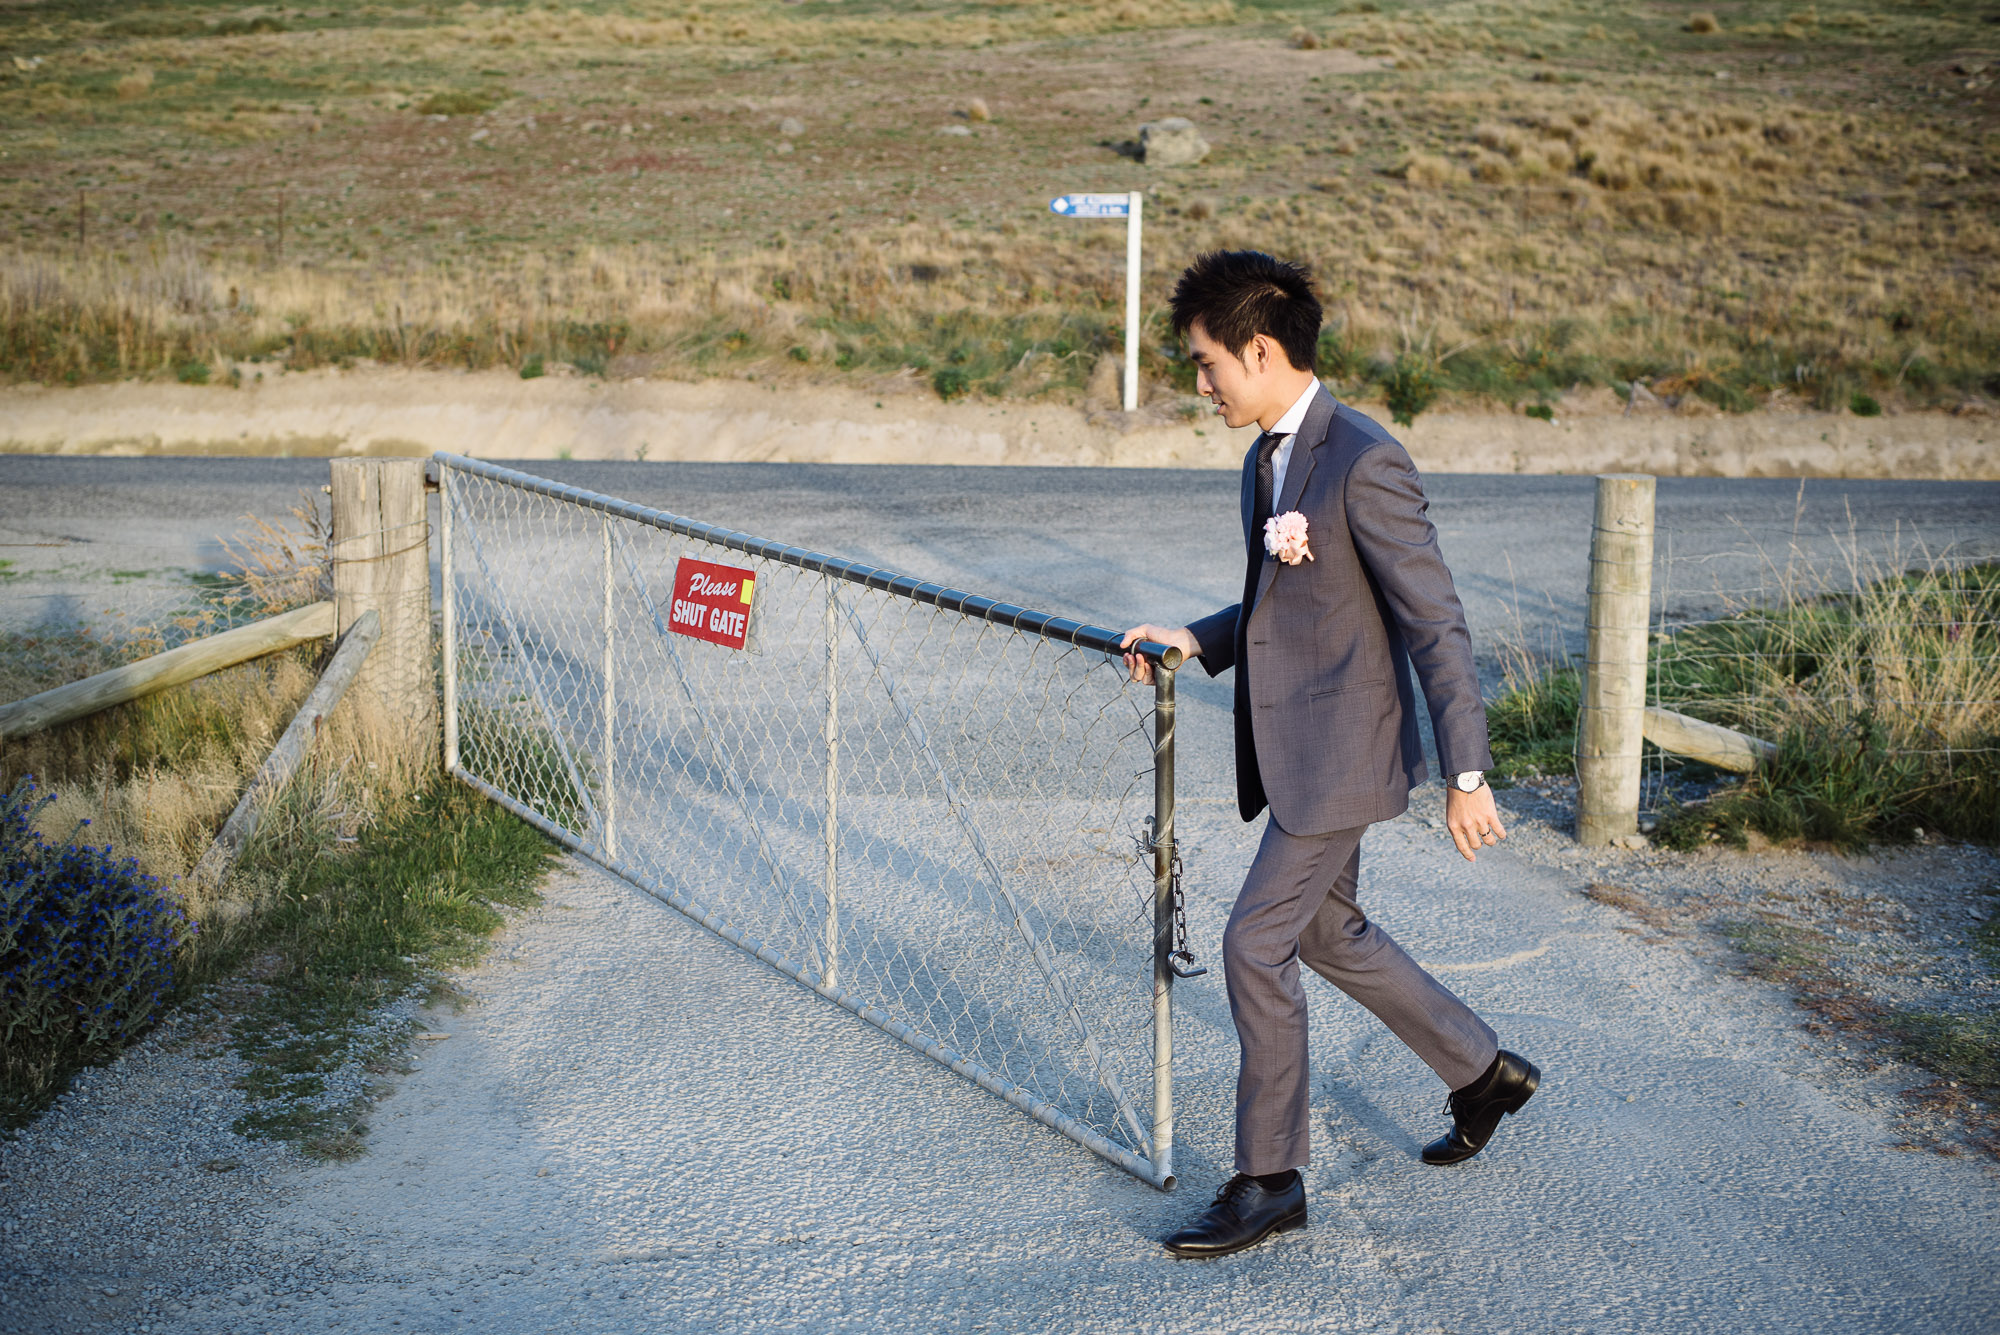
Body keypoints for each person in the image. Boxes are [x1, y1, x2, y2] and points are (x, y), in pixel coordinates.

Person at [1120, 250, 1540, 1260]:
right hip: (1300, 749)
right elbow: (1281, 601)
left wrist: (1466, 774)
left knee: (1251, 944)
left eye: (1205, 362)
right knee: (1325, 935)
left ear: (1258, 351)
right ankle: (1482, 1072)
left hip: (1341, 756)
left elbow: (1435, 623)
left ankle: (1267, 1180)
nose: (1199, 383)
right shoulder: (1266, 457)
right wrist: (1196, 638)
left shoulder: (1362, 459)